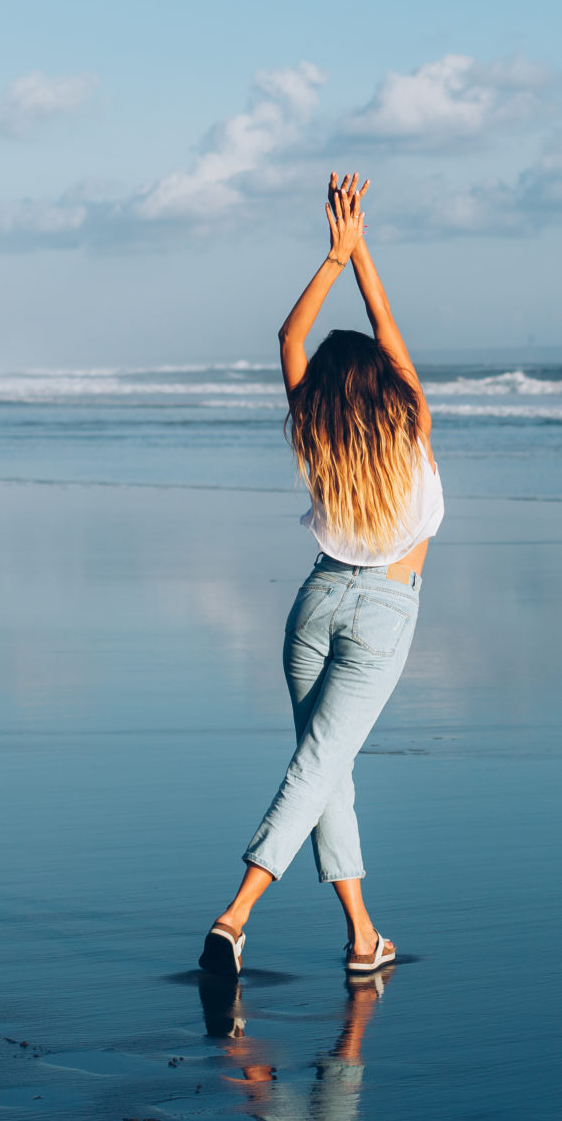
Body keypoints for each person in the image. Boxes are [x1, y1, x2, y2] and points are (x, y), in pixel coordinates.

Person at [198, 172, 442, 979]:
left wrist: (336, 256)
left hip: (314, 602)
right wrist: (361, 253)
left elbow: (288, 341)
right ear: (381, 383)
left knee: (326, 768)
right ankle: (234, 916)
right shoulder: (411, 418)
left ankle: (363, 937)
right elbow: (388, 328)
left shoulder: (316, 433)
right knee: (316, 768)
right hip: (382, 614)